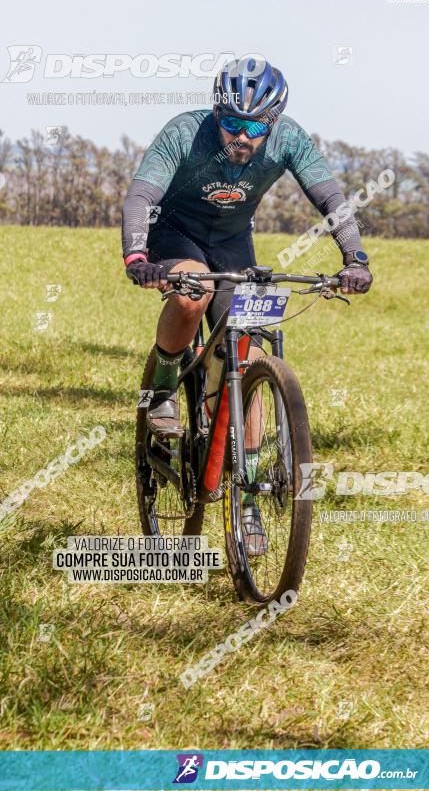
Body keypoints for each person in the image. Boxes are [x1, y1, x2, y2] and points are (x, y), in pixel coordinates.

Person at [121, 57, 372, 553]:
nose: (242, 136)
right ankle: (165, 386)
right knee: (194, 294)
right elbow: (141, 195)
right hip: (177, 234)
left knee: (251, 361)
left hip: (235, 243)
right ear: (217, 112)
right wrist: (138, 254)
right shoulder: (185, 132)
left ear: (273, 122)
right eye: (232, 122)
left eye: (255, 126)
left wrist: (355, 257)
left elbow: (331, 198)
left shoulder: (290, 139)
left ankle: (248, 494)